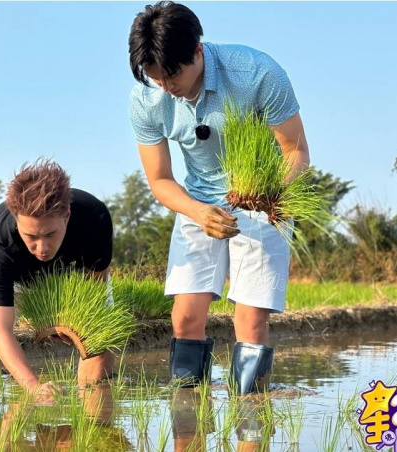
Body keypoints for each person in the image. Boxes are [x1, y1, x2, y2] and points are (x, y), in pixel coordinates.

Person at [127, 2, 311, 394]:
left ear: (197, 51)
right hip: (197, 204)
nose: (167, 86)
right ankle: (188, 414)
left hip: (262, 202)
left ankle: (249, 413)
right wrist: (196, 211)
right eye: (156, 77)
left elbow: (296, 153)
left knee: (250, 320)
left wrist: (265, 196)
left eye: (172, 74)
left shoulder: (256, 73)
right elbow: (159, 179)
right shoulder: (146, 98)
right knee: (185, 317)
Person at [0, 160, 115, 402]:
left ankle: (91, 422)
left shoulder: (95, 218)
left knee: (98, 338)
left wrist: (70, 321)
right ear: (16, 219)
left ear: (67, 216)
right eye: (30, 236)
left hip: (71, 282)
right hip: (18, 281)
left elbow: (93, 291)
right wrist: (33, 386)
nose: (42, 248)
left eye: (51, 234)